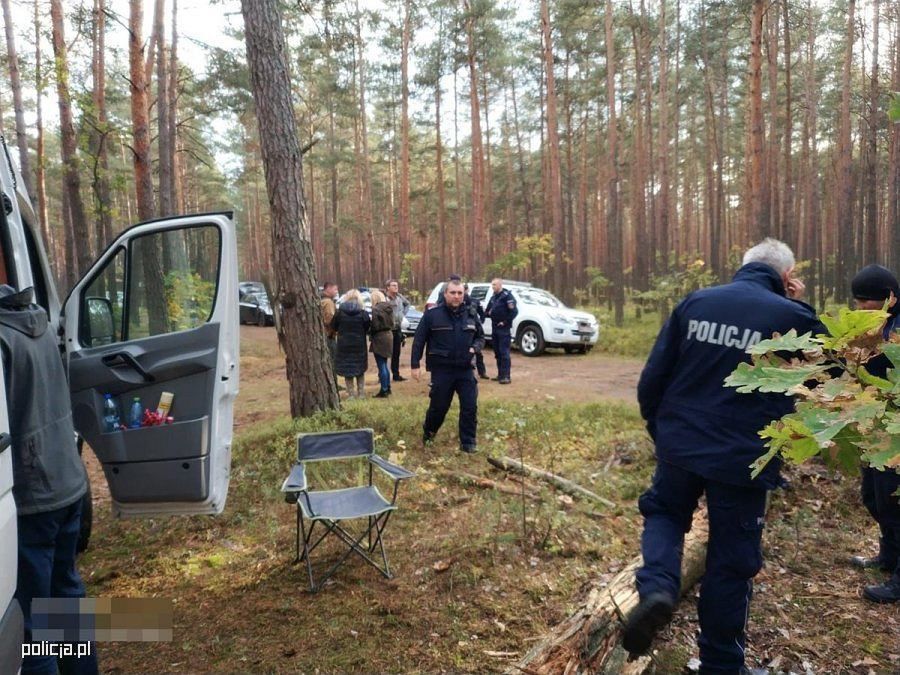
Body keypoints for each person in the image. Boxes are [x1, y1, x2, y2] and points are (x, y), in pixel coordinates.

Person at [623, 239, 826, 672]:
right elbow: (828, 384)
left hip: (681, 444)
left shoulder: (696, 302)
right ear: (787, 277)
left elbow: (653, 377)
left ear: (743, 266)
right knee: (731, 563)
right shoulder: (794, 317)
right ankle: (720, 665)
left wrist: (660, 431)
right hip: (744, 458)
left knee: (664, 513)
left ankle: (658, 587)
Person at [0, 285, 98, 675]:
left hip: (33, 496)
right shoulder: (36, 321)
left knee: (35, 623)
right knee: (66, 599)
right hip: (68, 482)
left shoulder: (3, 340)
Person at [848, 264, 900, 603]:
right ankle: (889, 556)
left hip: (895, 429)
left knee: (895, 502)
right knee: (874, 496)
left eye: (863, 300)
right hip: (875, 423)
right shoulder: (875, 324)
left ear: (885, 299)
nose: (858, 308)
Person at [410, 278, 485, 453]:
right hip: (442, 370)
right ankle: (428, 434)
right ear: (445, 294)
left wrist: (475, 348)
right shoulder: (432, 315)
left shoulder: (471, 314)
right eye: (453, 293)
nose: (457, 296)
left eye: (460, 293)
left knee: (469, 406)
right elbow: (419, 340)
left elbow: (480, 337)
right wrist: (415, 364)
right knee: (439, 407)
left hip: (465, 369)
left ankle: (468, 444)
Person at [331, 289, 371, 398]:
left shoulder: (339, 313)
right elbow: (367, 327)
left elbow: (333, 326)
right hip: (359, 344)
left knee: (347, 368)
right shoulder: (363, 313)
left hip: (344, 344)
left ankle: (351, 394)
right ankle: (361, 393)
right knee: (360, 368)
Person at [485, 278, 517, 384]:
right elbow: (488, 310)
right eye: (492, 285)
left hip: (504, 328)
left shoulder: (507, 296)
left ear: (500, 285)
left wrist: (505, 322)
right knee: (497, 352)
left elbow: (514, 312)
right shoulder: (494, 297)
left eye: (494, 285)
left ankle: (506, 376)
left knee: (504, 353)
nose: (492, 287)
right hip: (495, 327)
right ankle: (500, 375)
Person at [369, 289, 394, 398]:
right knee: (385, 364)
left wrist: (370, 331)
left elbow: (375, 325)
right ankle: (387, 387)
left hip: (379, 337)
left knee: (381, 365)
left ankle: (384, 389)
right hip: (389, 335)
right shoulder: (389, 308)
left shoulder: (376, 309)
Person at [385, 280, 410, 383]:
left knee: (396, 353)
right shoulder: (385, 298)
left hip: (398, 329)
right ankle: (382, 376)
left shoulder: (399, 297)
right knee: (385, 353)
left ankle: (396, 375)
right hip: (387, 329)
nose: (396, 287)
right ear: (387, 287)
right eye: (393, 285)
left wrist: (402, 315)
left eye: (397, 285)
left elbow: (407, 304)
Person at [320, 282, 340, 386]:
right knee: (332, 360)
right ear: (328, 289)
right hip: (329, 335)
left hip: (324, 335)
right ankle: (333, 384)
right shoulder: (328, 302)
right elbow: (330, 319)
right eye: (335, 289)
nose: (337, 292)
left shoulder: (322, 300)